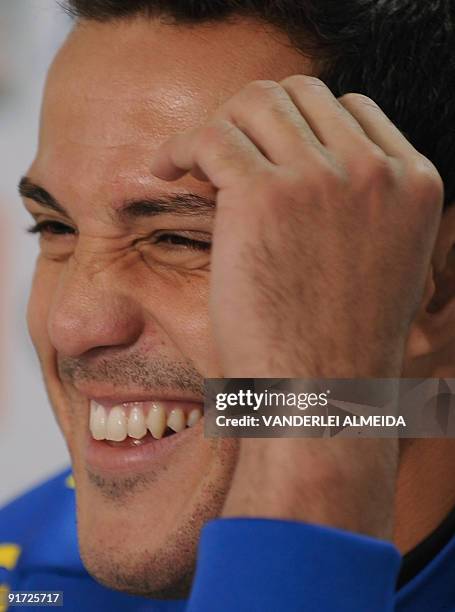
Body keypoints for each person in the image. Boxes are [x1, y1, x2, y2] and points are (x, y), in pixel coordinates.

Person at [1, 1, 454, 610]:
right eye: (55, 228)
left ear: (438, 280)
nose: (72, 324)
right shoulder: (24, 575)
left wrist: (313, 418)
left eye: (181, 240)